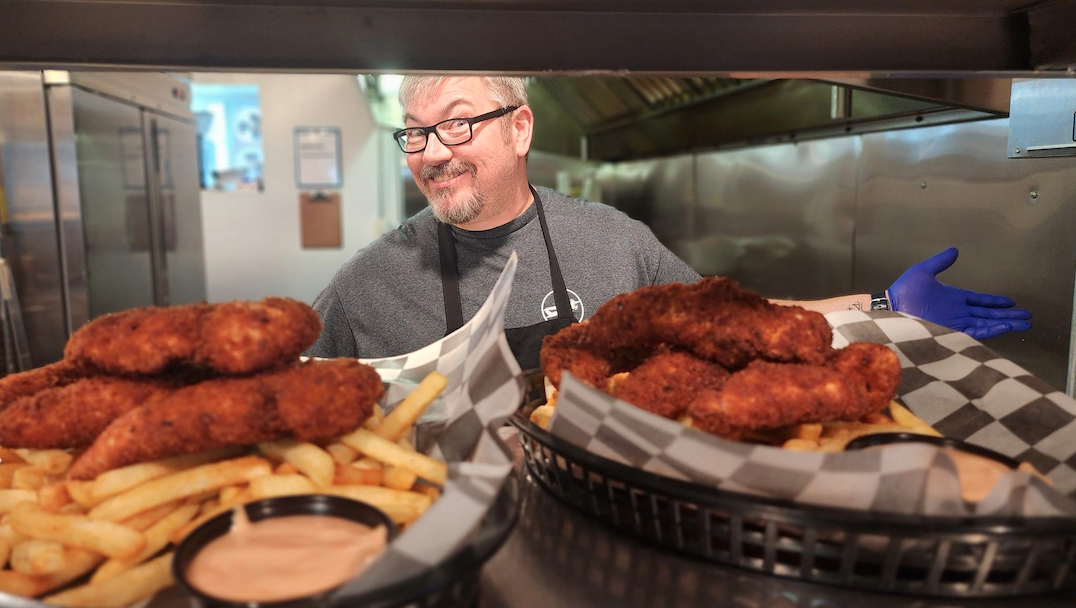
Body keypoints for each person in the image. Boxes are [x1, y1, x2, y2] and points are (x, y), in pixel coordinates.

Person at [306, 76, 1032, 369]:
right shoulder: (371, 280)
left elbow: (737, 320)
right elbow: (275, 381)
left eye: (458, 127)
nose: (433, 154)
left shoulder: (613, 241)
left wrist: (883, 306)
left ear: (520, 129)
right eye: (415, 133)